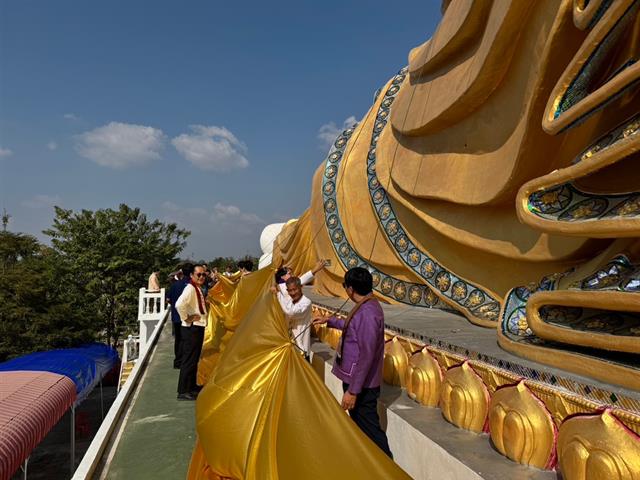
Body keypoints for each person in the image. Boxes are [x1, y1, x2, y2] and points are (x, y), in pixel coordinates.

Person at [313, 267, 392, 457]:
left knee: (370, 430)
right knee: (360, 427)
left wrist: (353, 391)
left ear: (350, 289)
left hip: (361, 386)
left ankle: (387, 467)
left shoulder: (368, 313)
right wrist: (329, 320)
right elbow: (353, 328)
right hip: (356, 380)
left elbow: (366, 356)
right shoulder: (365, 306)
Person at [175, 264, 208, 401]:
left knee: (194, 359)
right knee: (189, 359)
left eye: (203, 274)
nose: (201, 277)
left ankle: (191, 387)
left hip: (196, 326)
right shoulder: (190, 288)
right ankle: (183, 391)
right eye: (198, 274)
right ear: (192, 276)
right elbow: (179, 304)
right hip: (191, 328)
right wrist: (187, 318)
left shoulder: (196, 288)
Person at [274, 276, 313, 359]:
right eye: (290, 290)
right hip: (290, 347)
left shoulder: (306, 302)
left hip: (301, 349)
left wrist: (278, 294)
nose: (293, 293)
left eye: (295, 289)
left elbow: (290, 312)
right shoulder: (289, 302)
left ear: (301, 287)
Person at [167, 263, 192, 369]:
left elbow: (168, 300)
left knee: (178, 340)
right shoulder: (192, 286)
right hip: (190, 317)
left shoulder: (175, 285)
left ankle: (178, 361)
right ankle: (187, 361)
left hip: (177, 317)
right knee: (189, 340)